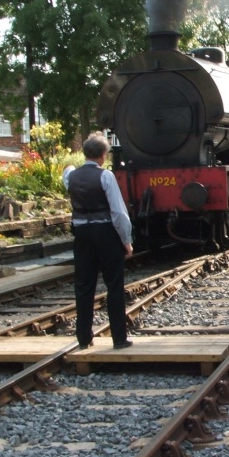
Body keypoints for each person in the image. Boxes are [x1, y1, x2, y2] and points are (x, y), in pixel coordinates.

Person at [62, 132, 134, 350]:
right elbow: (118, 212)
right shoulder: (106, 177)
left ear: (85, 153)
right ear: (104, 155)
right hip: (105, 234)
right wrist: (126, 240)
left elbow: (71, 186)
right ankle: (119, 339)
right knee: (114, 285)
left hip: (82, 235)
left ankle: (84, 338)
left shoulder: (70, 176)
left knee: (83, 286)